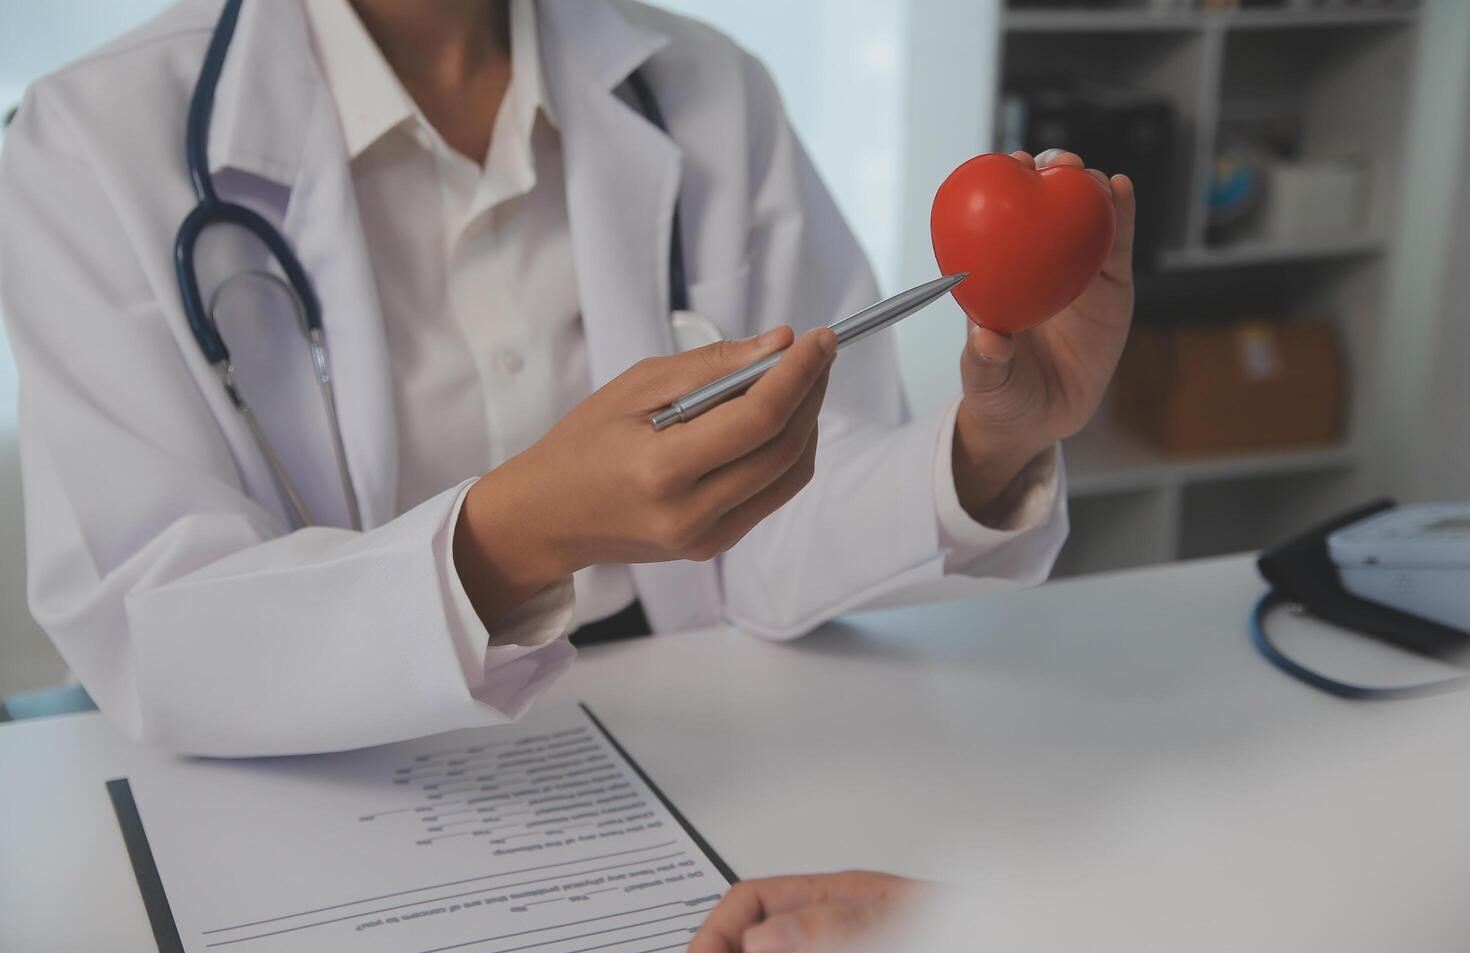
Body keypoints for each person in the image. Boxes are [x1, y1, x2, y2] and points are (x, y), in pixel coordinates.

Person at [0, 0, 1134, 756]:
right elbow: (158, 626)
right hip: (328, 764)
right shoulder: (81, 148)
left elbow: (790, 516)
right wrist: (516, 536)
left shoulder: (708, 88)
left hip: (700, 735)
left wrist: (987, 445)